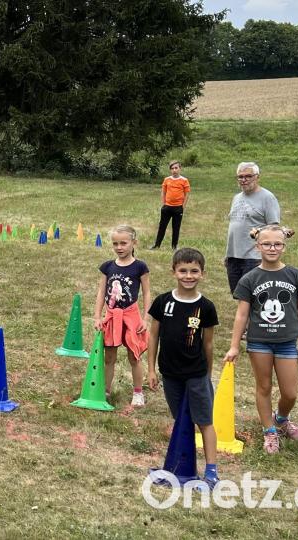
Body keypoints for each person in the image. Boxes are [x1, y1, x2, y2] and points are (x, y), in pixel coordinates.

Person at [224, 225, 298, 454]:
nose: (272, 248)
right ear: (257, 246)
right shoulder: (250, 278)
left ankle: (281, 419)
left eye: (277, 244)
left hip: (286, 342)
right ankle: (269, 432)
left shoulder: (295, 275)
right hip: (259, 342)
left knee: (290, 392)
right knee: (263, 387)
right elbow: (242, 314)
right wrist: (234, 345)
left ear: (284, 246)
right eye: (267, 244)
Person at [147, 248, 220, 487]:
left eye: (194, 271)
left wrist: (207, 375)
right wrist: (150, 369)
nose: (188, 276)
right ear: (174, 272)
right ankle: (177, 466)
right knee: (181, 420)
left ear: (203, 274)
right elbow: (153, 336)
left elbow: (208, 344)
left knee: (204, 421)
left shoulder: (206, 307)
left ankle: (211, 472)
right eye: (183, 270)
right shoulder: (162, 302)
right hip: (170, 373)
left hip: (196, 375)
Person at [93, 225, 151, 407]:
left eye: (124, 243)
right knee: (109, 356)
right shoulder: (107, 267)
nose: (119, 247)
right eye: (115, 244)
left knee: (134, 356)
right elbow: (102, 292)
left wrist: (145, 318)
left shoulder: (140, 267)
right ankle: (106, 390)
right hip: (112, 316)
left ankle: (138, 392)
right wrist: (97, 316)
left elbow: (147, 293)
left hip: (131, 316)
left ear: (134, 243)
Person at [224, 161, 289, 293]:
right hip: (234, 257)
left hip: (254, 257)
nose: (244, 180)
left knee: (255, 296)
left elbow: (274, 230)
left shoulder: (267, 198)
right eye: (240, 177)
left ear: (257, 177)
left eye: (248, 176)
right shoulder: (236, 198)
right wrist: (228, 254)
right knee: (238, 295)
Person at [149, 160, 190, 250]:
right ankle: (157, 245)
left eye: (176, 168)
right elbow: (163, 192)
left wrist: (183, 206)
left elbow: (187, 194)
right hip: (167, 207)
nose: (174, 170)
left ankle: (174, 246)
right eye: (172, 168)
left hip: (178, 208)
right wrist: (164, 204)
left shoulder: (184, 180)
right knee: (162, 226)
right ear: (170, 170)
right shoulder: (167, 180)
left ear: (180, 169)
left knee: (176, 228)